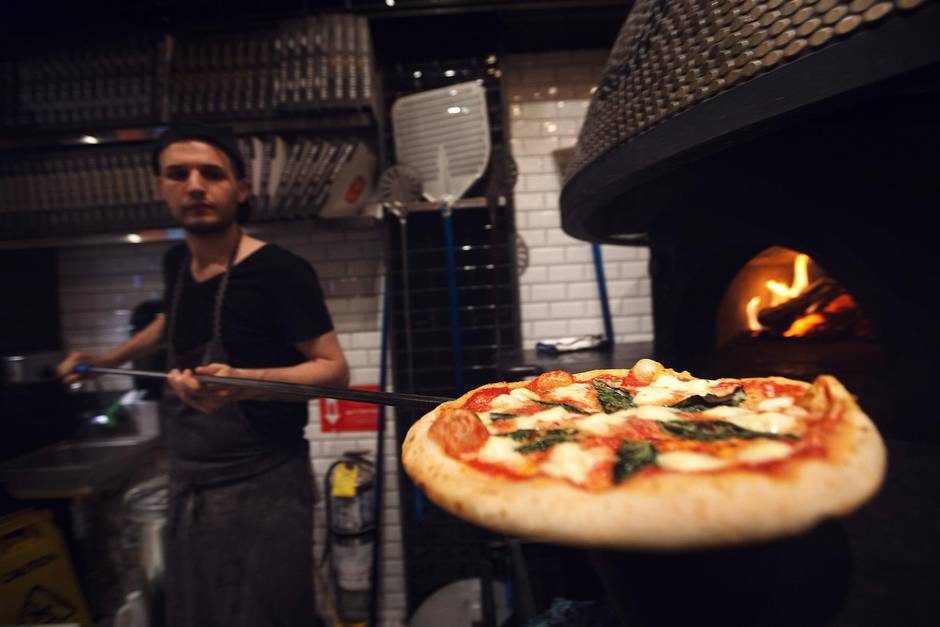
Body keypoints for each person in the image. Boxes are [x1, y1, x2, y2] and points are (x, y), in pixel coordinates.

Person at [57, 124, 349, 627]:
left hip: (265, 487)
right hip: (191, 485)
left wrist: (243, 381)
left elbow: (335, 370)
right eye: (179, 174)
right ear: (161, 187)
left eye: (211, 174)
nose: (194, 186)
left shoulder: (279, 271)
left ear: (241, 189)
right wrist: (108, 358)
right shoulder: (178, 263)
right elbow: (168, 321)